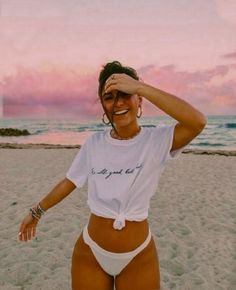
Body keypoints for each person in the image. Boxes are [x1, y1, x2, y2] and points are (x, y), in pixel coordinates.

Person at [18, 61, 207, 290]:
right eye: (109, 97)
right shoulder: (94, 143)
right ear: (103, 106)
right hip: (91, 254)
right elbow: (70, 181)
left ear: (139, 100)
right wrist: (36, 211)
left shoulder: (156, 141)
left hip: (139, 256)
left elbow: (197, 122)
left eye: (126, 93)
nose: (118, 103)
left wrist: (140, 87)